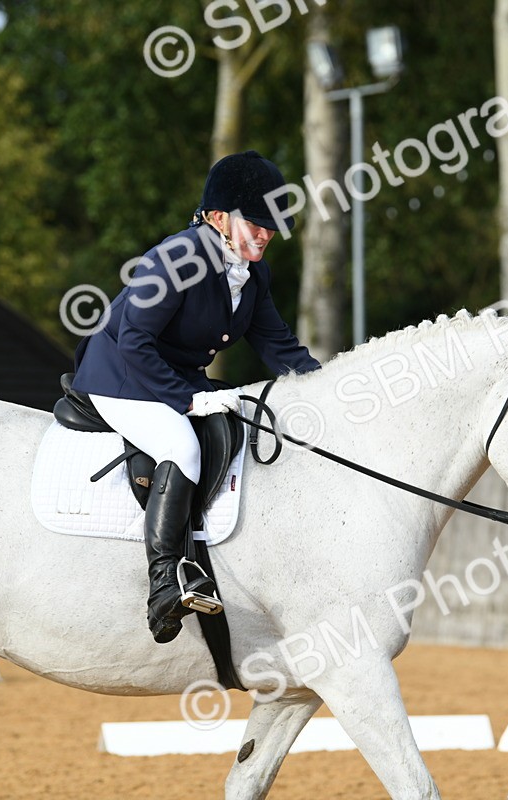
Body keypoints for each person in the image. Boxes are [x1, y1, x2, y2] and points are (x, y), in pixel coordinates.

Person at [71, 151, 321, 644]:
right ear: (219, 218)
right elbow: (133, 341)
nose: (267, 235)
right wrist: (186, 399)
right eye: (257, 224)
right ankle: (165, 581)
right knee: (181, 446)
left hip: (173, 377)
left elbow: (279, 346)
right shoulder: (177, 258)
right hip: (120, 377)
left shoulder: (252, 274)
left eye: (273, 227)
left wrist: (329, 391)